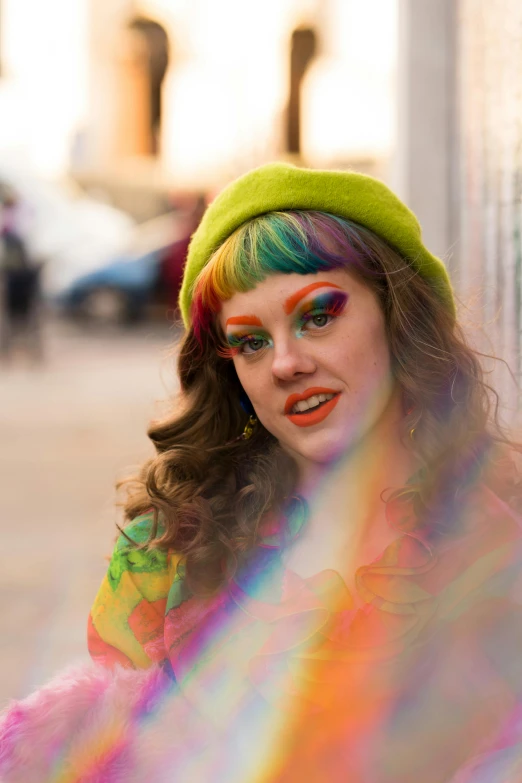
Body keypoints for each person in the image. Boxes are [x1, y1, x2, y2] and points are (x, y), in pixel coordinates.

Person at [1, 163, 522, 782]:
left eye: (319, 316)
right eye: (250, 342)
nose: (286, 364)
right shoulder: (172, 543)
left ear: (396, 316)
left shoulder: (495, 542)